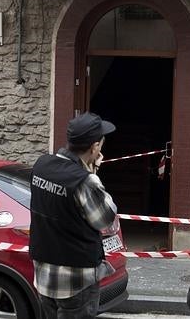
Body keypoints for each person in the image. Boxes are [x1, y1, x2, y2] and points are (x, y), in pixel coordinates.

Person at [29, 111, 118, 319]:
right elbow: (105, 218)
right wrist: (94, 172)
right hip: (76, 282)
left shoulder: (42, 165)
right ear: (95, 147)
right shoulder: (85, 181)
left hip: (44, 277)